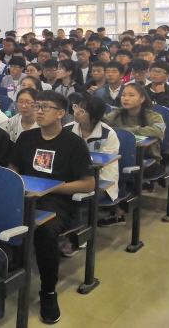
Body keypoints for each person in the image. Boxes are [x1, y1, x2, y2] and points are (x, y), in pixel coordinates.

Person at [8, 91, 95, 324]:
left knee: (45, 232)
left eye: (45, 107)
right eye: (37, 106)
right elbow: (13, 169)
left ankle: (48, 291)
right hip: (25, 197)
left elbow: (88, 183)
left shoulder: (74, 143)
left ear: (60, 113)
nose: (39, 111)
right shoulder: (26, 138)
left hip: (58, 202)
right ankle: (7, 270)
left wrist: (52, 187)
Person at [61, 95, 120, 255]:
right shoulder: (68, 129)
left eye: (82, 110)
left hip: (102, 181)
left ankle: (76, 238)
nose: (76, 112)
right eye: (76, 107)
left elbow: (103, 165)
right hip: (73, 177)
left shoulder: (108, 134)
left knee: (75, 196)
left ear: (94, 116)